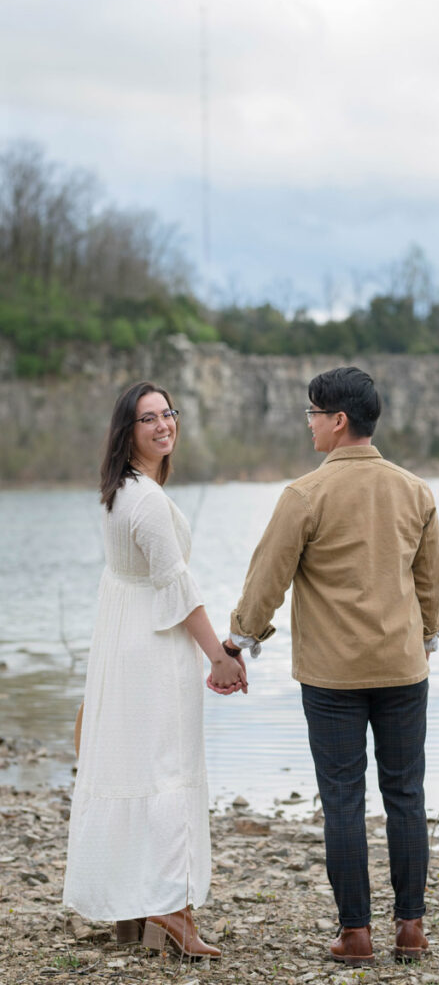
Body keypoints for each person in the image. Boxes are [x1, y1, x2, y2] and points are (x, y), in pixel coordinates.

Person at [223, 366, 439, 965]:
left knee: (343, 799)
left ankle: (356, 935)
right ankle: (412, 930)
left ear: (339, 420)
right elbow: (431, 586)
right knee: (405, 795)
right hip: (403, 669)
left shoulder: (305, 494)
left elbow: (267, 579)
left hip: (332, 678)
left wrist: (238, 642)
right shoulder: (416, 491)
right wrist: (427, 637)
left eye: (313, 414)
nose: (310, 425)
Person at [63, 380, 247, 959]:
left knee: (135, 765)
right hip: (154, 649)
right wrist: (218, 656)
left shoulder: (122, 491)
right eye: (149, 418)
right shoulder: (145, 501)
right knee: (166, 768)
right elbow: (178, 587)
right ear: (129, 430)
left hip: (126, 644)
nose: (164, 424)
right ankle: (169, 907)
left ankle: (134, 904)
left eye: (169, 413)